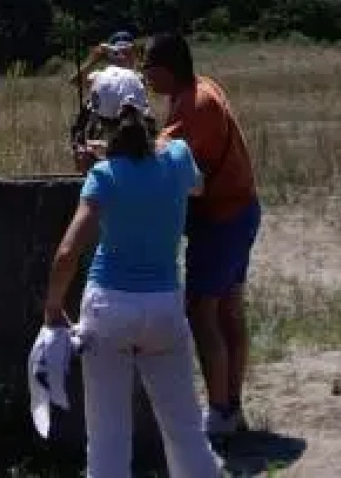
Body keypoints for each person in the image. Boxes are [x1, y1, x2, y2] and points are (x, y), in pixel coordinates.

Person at [42, 95, 226, 478]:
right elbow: (195, 187)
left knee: (108, 437)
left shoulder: (104, 176)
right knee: (185, 430)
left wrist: (53, 306)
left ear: (102, 124)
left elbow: (66, 252)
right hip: (164, 305)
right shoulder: (177, 157)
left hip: (108, 306)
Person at [143, 31, 261, 437]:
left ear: (166, 69)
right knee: (228, 309)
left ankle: (220, 410)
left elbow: (158, 157)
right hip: (237, 210)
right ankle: (232, 407)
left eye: (149, 70)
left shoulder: (197, 105)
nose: (146, 80)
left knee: (203, 311)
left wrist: (107, 154)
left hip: (223, 217)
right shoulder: (196, 91)